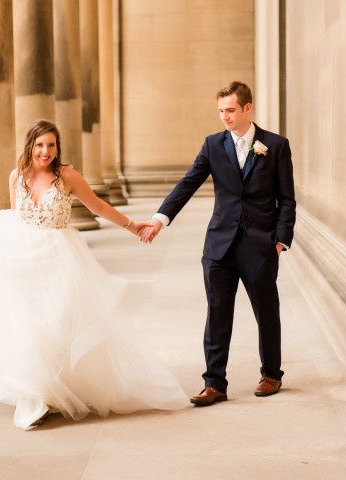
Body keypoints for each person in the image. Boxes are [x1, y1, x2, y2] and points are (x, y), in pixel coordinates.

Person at [0, 119, 188, 430]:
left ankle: (56, 389)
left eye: (51, 145)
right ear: (30, 146)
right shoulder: (17, 177)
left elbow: (96, 206)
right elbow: (15, 219)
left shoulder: (66, 175)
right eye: (40, 145)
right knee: (27, 326)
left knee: (56, 323)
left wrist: (132, 226)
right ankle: (36, 396)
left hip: (59, 257)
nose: (46, 151)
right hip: (24, 259)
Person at [140, 81, 296, 405]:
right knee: (217, 313)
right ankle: (215, 384)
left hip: (259, 246)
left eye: (230, 110)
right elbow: (188, 183)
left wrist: (280, 240)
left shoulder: (276, 146)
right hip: (219, 246)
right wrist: (160, 219)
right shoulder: (213, 145)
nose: (224, 117)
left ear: (247, 108)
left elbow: (287, 199)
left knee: (266, 311)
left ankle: (271, 375)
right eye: (221, 111)